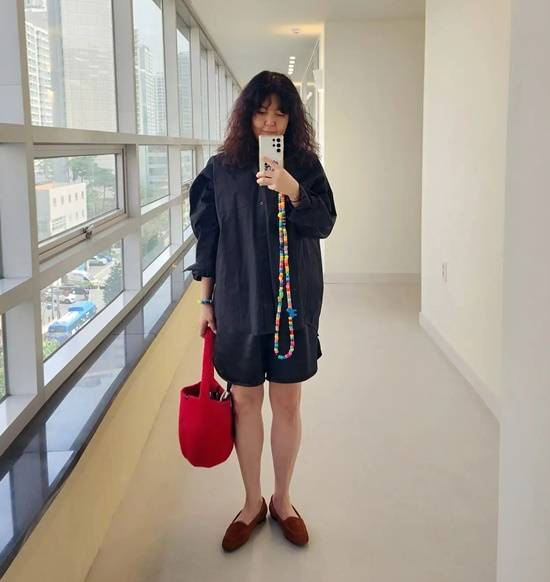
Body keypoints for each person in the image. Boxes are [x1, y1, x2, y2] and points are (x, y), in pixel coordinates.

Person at [184, 71, 337, 551]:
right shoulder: (222, 169)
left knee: (287, 404)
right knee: (245, 402)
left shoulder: (305, 165)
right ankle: (252, 502)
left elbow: (325, 223)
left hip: (293, 304)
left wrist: (293, 189)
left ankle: (282, 500)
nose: (270, 122)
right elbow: (209, 236)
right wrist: (206, 300)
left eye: (280, 113)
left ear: (292, 119)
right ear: (246, 114)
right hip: (239, 301)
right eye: (261, 111)